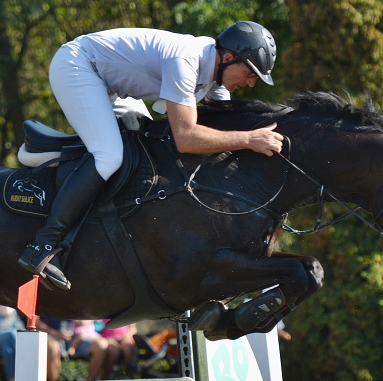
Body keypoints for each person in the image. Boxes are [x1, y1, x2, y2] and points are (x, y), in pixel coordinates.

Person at [18, 22, 283, 290]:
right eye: (250, 74)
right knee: (109, 155)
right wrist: (249, 139)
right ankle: (44, 245)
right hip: (78, 66)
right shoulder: (186, 60)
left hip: (109, 84)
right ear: (228, 58)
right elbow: (187, 138)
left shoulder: (215, 74)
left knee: (151, 150)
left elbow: (225, 127)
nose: (250, 83)